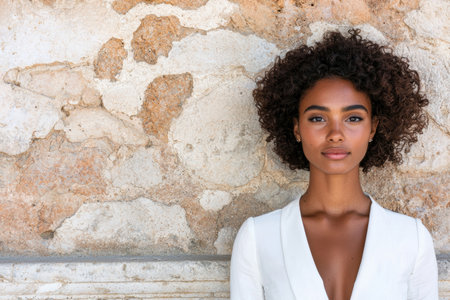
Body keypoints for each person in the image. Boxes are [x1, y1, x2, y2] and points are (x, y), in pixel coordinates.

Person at [230, 29, 438, 300]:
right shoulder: (258, 238)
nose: (335, 133)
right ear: (296, 129)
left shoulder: (411, 240)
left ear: (373, 128)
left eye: (353, 118)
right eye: (318, 118)